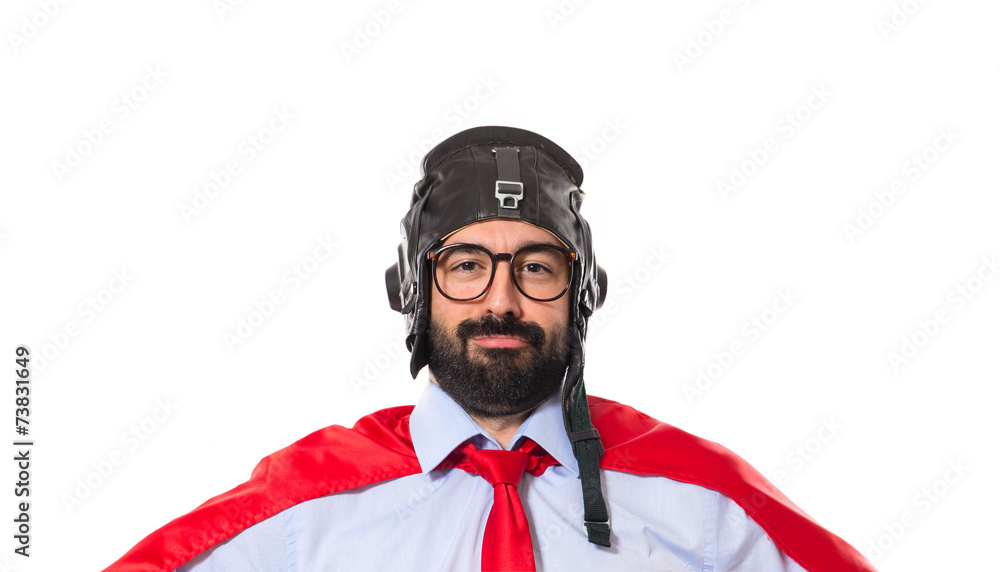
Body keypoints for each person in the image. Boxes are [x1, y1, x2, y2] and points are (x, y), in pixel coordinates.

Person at [105, 126, 876, 571]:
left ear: (583, 295)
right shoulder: (308, 509)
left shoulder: (705, 503)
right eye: (466, 265)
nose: (501, 300)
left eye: (536, 268)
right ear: (415, 289)